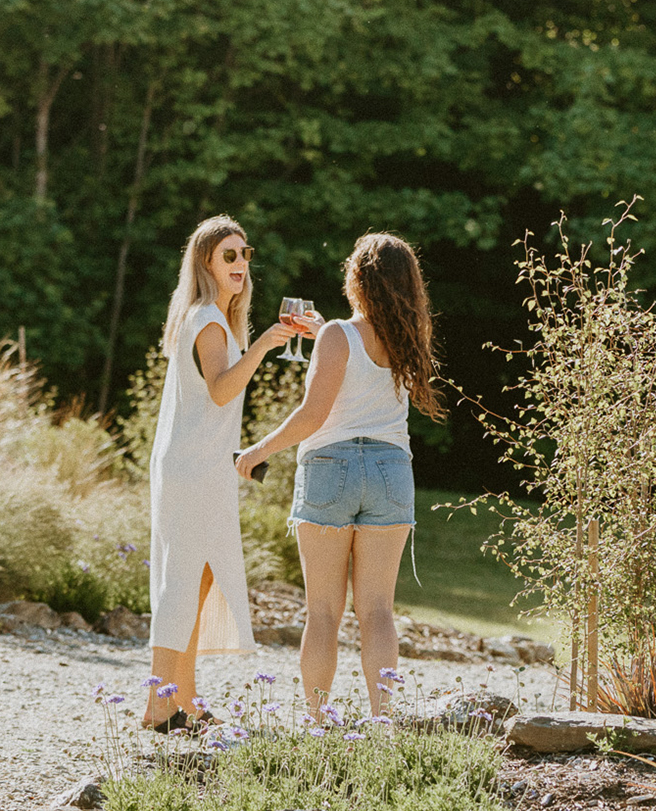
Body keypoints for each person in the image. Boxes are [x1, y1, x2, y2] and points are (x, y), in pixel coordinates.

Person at [236, 232, 446, 720]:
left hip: (331, 469)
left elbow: (313, 415)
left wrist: (257, 450)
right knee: (377, 611)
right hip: (391, 470)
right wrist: (327, 338)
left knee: (324, 613)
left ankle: (318, 722)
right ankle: (382, 721)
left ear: (357, 278)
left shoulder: (338, 334)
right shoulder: (408, 340)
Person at [143, 215, 307, 731]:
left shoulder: (209, 316)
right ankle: (157, 705)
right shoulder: (209, 320)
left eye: (244, 254)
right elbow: (219, 389)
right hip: (192, 469)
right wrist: (262, 346)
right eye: (228, 256)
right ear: (206, 263)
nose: (240, 263)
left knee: (197, 578)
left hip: (198, 465)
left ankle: (184, 698)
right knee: (183, 582)